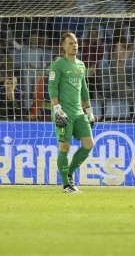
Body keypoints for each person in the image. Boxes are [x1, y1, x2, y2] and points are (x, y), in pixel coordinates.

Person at [48, 32, 95, 193]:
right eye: (70, 43)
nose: (74, 46)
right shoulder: (58, 64)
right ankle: (67, 185)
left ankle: (68, 173)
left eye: (75, 43)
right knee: (64, 147)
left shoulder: (81, 65)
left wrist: (89, 111)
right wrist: (57, 108)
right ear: (63, 46)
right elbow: (52, 87)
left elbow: (84, 89)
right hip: (63, 112)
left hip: (78, 113)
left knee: (89, 144)